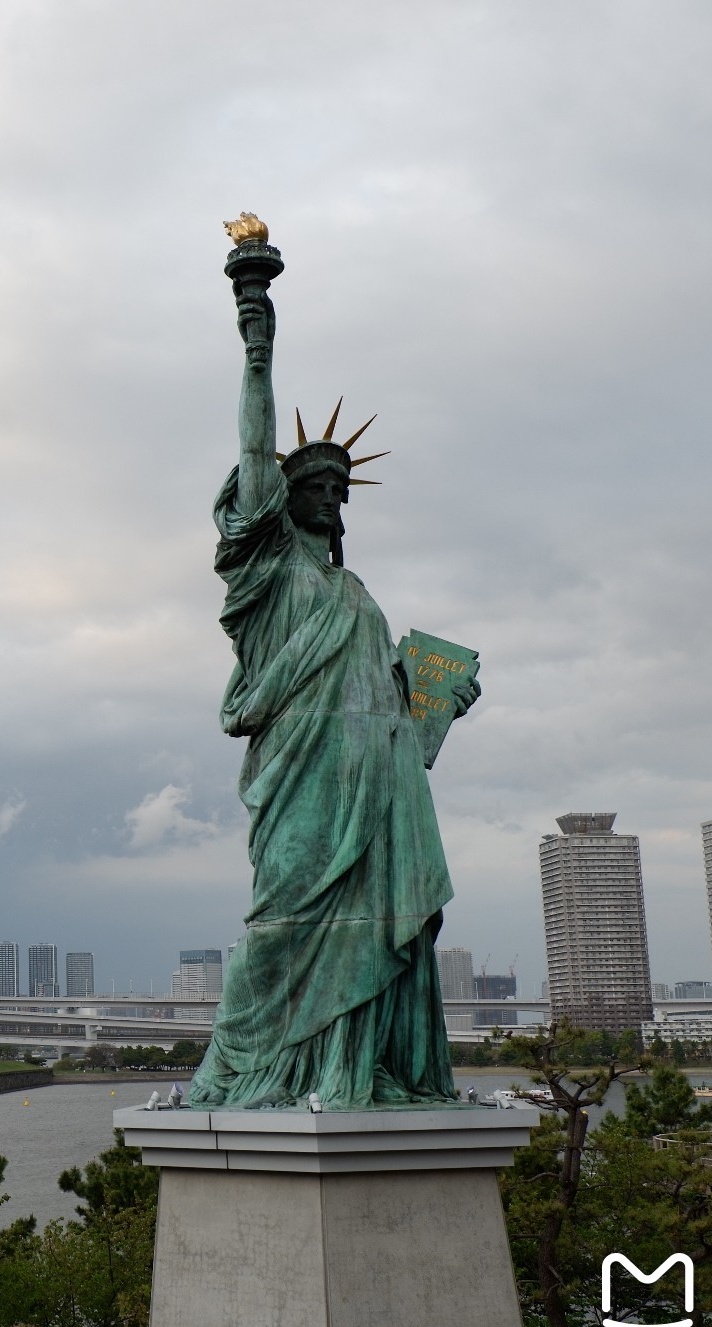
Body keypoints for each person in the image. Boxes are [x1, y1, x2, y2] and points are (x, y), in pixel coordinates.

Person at [187, 245, 478, 1111]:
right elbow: (251, 447)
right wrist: (256, 344)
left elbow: (396, 716)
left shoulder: (356, 593)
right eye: (312, 481)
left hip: (377, 791)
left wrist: (440, 705)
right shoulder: (271, 573)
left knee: (377, 934)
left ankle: (355, 1068)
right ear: (279, 499)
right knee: (280, 927)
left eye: (338, 486)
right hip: (303, 780)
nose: (328, 495)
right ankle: (264, 1068)